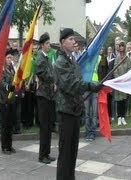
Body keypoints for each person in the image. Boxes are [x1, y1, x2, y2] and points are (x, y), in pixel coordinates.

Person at [53, 28, 102, 180]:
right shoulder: (61, 62)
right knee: (65, 152)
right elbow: (71, 84)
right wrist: (89, 86)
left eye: (74, 39)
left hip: (74, 110)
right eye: (70, 39)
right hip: (66, 112)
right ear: (62, 43)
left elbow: (77, 83)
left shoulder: (72, 60)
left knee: (73, 151)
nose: (74, 42)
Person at [36, 33, 56, 164]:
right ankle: (42, 155)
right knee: (44, 126)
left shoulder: (47, 58)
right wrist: (56, 78)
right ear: (42, 45)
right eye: (48, 43)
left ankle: (47, 153)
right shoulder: (40, 58)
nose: (49, 45)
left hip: (49, 96)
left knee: (49, 126)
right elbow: (44, 74)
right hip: (43, 96)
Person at [0, 49, 17, 155]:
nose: (10, 59)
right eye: (8, 57)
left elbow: (15, 80)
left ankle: (10, 145)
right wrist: (8, 86)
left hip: (11, 100)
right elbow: (0, 83)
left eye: (11, 57)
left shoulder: (12, 69)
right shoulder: (2, 70)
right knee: (5, 125)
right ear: (4, 59)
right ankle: (4, 146)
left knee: (10, 124)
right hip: (3, 100)